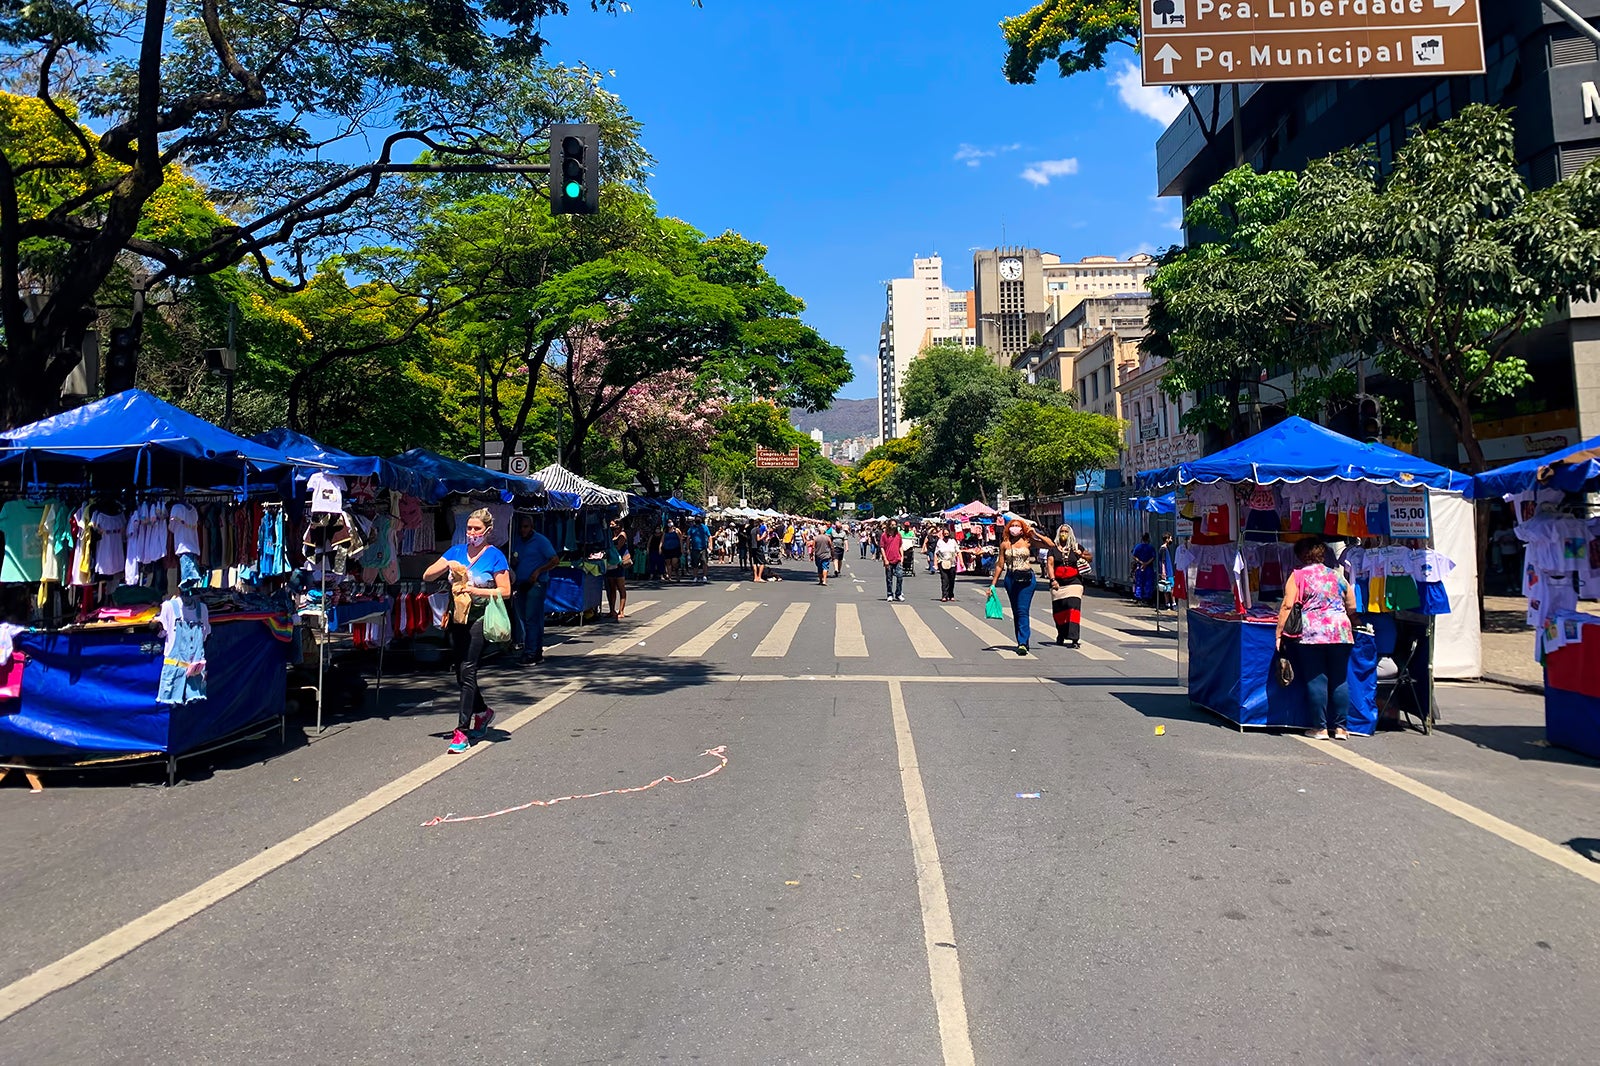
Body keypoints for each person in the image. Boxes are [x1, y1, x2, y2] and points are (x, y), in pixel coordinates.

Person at [423, 508, 511, 754]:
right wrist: (447, 565)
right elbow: (427, 574)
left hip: (480, 616)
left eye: (477, 529)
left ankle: (462, 730)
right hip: (457, 616)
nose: (472, 533)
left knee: (468, 670)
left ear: (487, 532)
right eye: (469, 528)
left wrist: (477, 591)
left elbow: (505, 591)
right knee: (460, 674)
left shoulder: (495, 556)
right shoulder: (457, 551)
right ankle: (482, 712)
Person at [1277, 536, 1357, 741]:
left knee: (1317, 679)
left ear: (1301, 556)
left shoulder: (1298, 576)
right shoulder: (1336, 575)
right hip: (1340, 631)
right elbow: (1352, 605)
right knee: (1340, 679)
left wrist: (1279, 634)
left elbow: (1287, 605)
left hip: (1313, 633)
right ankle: (1340, 728)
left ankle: (1320, 728)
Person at [990, 517, 1053, 655]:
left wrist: (1035, 533)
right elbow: (1000, 565)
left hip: (1027, 579)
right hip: (1011, 578)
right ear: (1008, 528)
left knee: (1022, 610)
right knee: (1016, 611)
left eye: (1018, 526)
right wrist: (993, 584)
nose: (1015, 528)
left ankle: (1023, 642)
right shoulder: (1005, 545)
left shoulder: (1028, 541)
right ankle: (1021, 639)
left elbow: (1050, 545)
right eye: (1012, 525)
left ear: (1022, 528)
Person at [510, 513, 558, 665]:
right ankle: (535, 650)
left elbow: (554, 560)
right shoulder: (517, 541)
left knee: (531, 618)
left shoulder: (541, 541)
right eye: (521, 527)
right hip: (520, 583)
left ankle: (531, 652)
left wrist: (538, 571)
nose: (523, 530)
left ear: (531, 527)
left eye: (526, 527)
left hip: (536, 584)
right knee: (525, 619)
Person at [1048, 523, 1092, 647]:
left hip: (1074, 583)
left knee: (1073, 609)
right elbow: (1050, 565)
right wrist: (1052, 580)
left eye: (1066, 531)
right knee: (1060, 611)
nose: (1064, 534)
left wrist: (1081, 554)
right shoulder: (1053, 549)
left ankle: (1074, 638)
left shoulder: (1076, 547)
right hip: (1058, 584)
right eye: (1062, 531)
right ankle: (1061, 634)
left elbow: (1090, 558)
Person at [605, 519, 630, 620]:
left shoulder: (622, 535)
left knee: (621, 588)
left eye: (613, 524)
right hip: (611, 564)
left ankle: (621, 610)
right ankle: (612, 610)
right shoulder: (611, 535)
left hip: (619, 564)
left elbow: (618, 547)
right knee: (612, 589)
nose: (611, 526)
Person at [934, 523, 960, 602]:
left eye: (947, 534)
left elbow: (958, 552)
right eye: (944, 534)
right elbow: (936, 553)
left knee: (951, 580)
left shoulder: (953, 541)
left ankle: (951, 595)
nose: (946, 535)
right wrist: (935, 564)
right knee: (944, 580)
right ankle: (944, 596)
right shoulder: (940, 542)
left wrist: (961, 562)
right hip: (942, 562)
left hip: (952, 563)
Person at [879, 522, 904, 601]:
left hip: (897, 559)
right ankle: (890, 594)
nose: (894, 526)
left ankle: (898, 594)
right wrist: (885, 559)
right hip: (888, 560)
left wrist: (902, 556)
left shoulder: (898, 535)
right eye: (892, 524)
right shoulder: (884, 535)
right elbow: (882, 547)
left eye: (895, 524)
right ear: (889, 525)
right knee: (889, 578)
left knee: (900, 577)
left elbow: (900, 546)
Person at [1131, 532, 1157, 604]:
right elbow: (1153, 557)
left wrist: (1141, 562)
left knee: (1139, 582)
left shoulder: (1138, 547)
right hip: (1148, 567)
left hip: (1140, 566)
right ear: (1148, 539)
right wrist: (1146, 563)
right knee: (1148, 582)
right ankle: (1147, 597)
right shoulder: (1151, 547)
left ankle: (1138, 597)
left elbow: (1134, 556)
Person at [686, 516, 711, 584]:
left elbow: (709, 536)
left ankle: (705, 576)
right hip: (694, 548)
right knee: (695, 563)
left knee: (704, 562)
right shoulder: (691, 528)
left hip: (703, 548)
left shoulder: (704, 527)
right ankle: (695, 577)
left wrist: (710, 546)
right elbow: (688, 538)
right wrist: (687, 548)